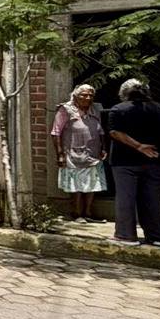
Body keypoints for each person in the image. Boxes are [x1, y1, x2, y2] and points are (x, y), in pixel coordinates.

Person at [107, 78, 160, 247]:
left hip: (124, 162)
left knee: (126, 197)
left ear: (124, 93)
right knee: (154, 198)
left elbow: (115, 132)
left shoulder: (118, 109)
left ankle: (126, 235)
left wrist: (138, 146)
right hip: (156, 161)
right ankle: (157, 237)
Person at [50, 84, 107, 223]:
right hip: (73, 154)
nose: (88, 98)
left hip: (93, 154)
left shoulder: (96, 109)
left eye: (91, 95)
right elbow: (56, 133)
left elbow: (101, 131)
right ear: (75, 96)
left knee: (92, 184)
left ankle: (88, 212)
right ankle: (77, 213)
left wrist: (103, 148)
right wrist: (60, 154)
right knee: (75, 186)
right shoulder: (65, 110)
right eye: (84, 95)